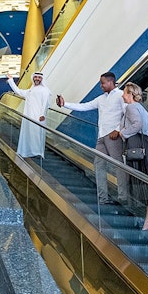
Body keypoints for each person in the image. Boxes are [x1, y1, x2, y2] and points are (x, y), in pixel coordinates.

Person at [56, 72, 128, 204]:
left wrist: (117, 129)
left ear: (111, 82)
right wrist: (65, 104)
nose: (101, 85)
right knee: (98, 165)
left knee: (119, 166)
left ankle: (123, 196)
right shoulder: (101, 99)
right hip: (101, 136)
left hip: (113, 136)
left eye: (103, 83)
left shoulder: (120, 95)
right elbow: (84, 106)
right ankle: (102, 198)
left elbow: (127, 114)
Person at [119, 82, 148, 230]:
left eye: (125, 93)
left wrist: (123, 133)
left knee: (143, 183)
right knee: (147, 182)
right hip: (147, 148)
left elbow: (137, 125)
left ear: (131, 95)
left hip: (139, 150)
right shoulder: (141, 108)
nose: (122, 95)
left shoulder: (131, 107)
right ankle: (147, 223)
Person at [6, 71, 51, 158]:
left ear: (42, 79)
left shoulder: (45, 90)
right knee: (28, 134)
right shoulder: (30, 90)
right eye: (35, 77)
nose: (37, 79)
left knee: (36, 134)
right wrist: (11, 80)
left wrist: (42, 115)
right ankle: (28, 152)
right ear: (33, 78)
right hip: (28, 116)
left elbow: (45, 103)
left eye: (39, 77)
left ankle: (37, 153)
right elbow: (18, 91)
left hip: (39, 117)